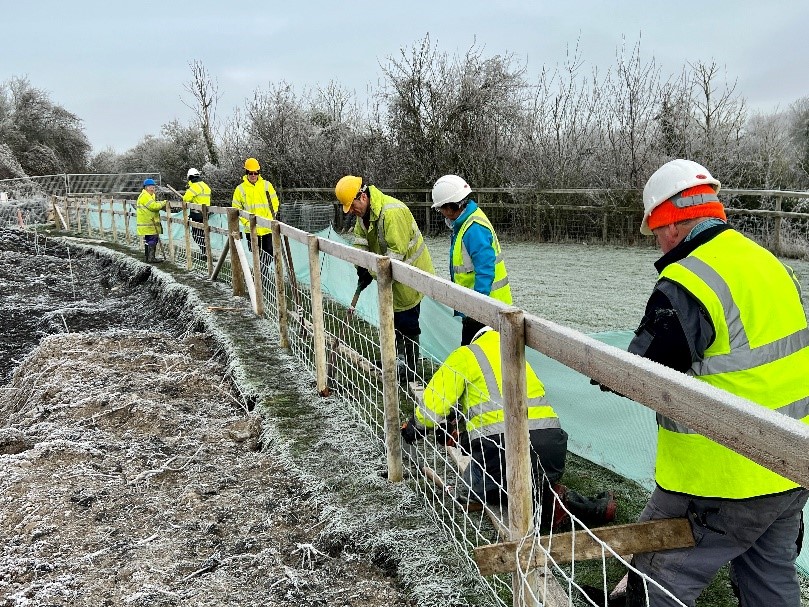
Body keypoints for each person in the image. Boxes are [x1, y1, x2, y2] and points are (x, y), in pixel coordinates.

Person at [620, 159, 809, 607]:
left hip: (721, 479)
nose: (660, 242)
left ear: (671, 220)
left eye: (657, 230)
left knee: (652, 578)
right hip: (791, 463)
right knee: (770, 583)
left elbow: (644, 367)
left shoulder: (689, 279)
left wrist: (600, 366)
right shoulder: (768, 264)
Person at [402, 326, 616, 529]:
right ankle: (555, 496)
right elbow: (503, 415)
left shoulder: (466, 354)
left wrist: (415, 426)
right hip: (551, 450)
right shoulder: (516, 355)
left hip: (504, 449)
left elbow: (432, 409)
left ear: (474, 339)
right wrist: (464, 439)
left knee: (470, 491)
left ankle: (551, 504)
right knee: (520, 479)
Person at [335, 175, 435, 384]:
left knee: (407, 321)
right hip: (387, 277)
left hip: (410, 275)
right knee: (391, 318)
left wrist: (371, 272)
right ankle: (395, 360)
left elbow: (395, 256)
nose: (352, 211)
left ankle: (410, 366)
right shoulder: (364, 216)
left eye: (352, 206)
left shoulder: (392, 213)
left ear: (362, 197)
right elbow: (360, 244)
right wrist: (361, 265)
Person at [431, 175, 512, 345]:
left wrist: (477, 309)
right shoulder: (466, 222)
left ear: (450, 206)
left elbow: (485, 270)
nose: (441, 213)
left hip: (485, 309)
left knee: (474, 356)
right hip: (480, 306)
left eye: (441, 209)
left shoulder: (473, 228)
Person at [232, 157, 280, 255]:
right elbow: (236, 209)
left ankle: (262, 271)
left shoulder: (267, 185)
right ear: (247, 173)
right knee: (255, 254)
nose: (253, 175)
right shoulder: (240, 189)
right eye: (251, 173)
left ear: (258, 172)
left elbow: (275, 203)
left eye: (255, 173)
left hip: (267, 228)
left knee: (269, 253)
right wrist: (246, 223)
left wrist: (270, 218)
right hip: (251, 229)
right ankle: (259, 271)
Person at [183, 168, 211, 260]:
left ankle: (205, 253)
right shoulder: (205, 186)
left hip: (197, 214)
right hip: (206, 214)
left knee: (197, 235)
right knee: (204, 234)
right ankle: (206, 253)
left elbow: (186, 199)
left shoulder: (194, 187)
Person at [136, 178, 166, 263]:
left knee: (149, 239)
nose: (152, 188)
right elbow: (154, 206)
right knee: (152, 239)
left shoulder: (148, 195)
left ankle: (148, 257)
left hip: (148, 222)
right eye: (150, 187)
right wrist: (164, 203)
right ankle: (151, 258)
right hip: (149, 222)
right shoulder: (145, 196)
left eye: (153, 187)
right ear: (145, 187)